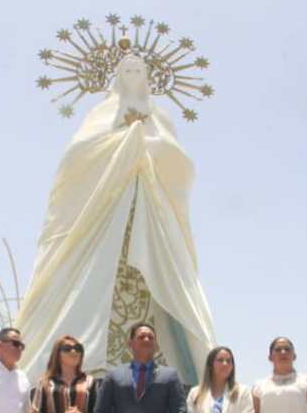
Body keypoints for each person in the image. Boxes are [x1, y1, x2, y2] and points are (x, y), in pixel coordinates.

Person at [14, 53, 216, 386]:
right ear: (119, 75)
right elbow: (77, 156)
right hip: (107, 218)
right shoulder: (103, 113)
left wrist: (146, 143)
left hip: (149, 215)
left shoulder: (160, 117)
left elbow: (179, 163)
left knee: (156, 288)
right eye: (128, 69)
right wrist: (122, 142)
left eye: (139, 69)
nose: (134, 74)